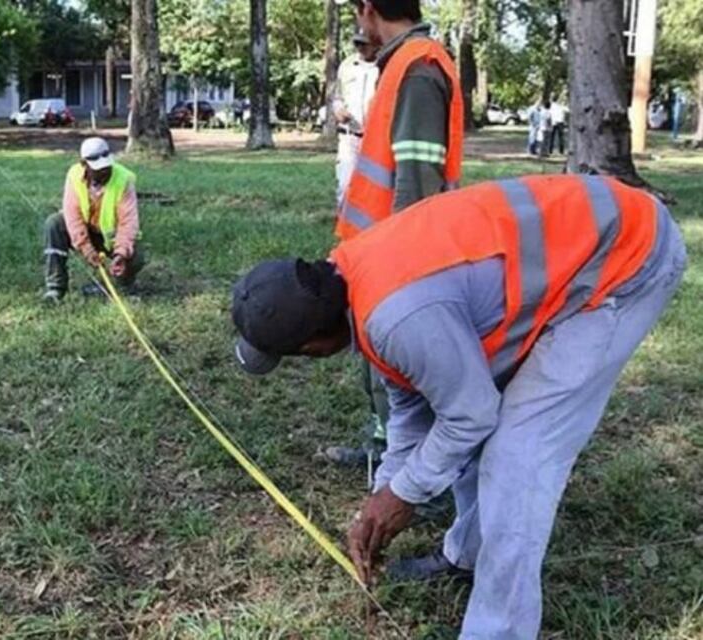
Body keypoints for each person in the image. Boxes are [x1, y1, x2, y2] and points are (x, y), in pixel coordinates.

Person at [230, 174, 685, 639]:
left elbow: (471, 414)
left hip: (626, 258)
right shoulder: (351, 283)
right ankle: (466, 557)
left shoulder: (397, 316)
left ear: (313, 347)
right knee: (471, 420)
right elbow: (415, 411)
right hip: (590, 243)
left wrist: (405, 495)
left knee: (518, 455)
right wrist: (384, 494)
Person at [327, 0, 465, 470]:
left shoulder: (419, 68)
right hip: (376, 252)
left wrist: (399, 269)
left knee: (400, 374)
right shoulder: (402, 64)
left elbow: (418, 179)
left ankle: (411, 470)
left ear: (368, 8)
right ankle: (384, 449)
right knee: (379, 369)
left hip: (395, 259)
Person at [42, 137, 145, 302]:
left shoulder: (124, 179)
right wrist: (87, 249)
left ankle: (122, 286)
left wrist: (120, 253)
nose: (104, 171)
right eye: (98, 168)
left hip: (110, 238)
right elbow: (73, 216)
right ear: (84, 165)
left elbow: (129, 223)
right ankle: (55, 288)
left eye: (107, 166)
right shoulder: (74, 175)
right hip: (85, 231)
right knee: (54, 223)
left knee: (136, 256)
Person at [332, 31, 380, 206]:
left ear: (376, 44)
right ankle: (344, 228)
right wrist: (338, 109)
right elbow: (337, 97)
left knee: (373, 189)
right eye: (357, 43)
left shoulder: (385, 66)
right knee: (345, 185)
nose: (360, 48)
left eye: (364, 43)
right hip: (348, 136)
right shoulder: (347, 65)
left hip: (375, 139)